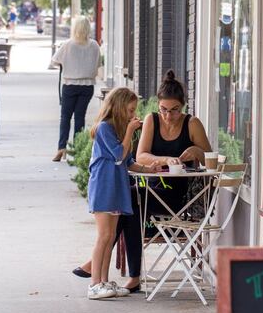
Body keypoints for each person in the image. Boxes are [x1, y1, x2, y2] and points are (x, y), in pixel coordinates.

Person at [72, 69, 211, 292]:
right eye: (163, 110)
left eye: (174, 110)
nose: (168, 116)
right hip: (152, 186)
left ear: (183, 107)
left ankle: (99, 269)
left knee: (129, 206)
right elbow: (137, 156)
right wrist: (161, 161)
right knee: (129, 205)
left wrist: (195, 150)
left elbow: (210, 159)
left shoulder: (191, 124)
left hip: (180, 195)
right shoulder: (148, 121)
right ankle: (121, 275)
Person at [86, 88, 158, 300]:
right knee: (103, 236)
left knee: (110, 238)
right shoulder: (104, 128)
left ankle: (104, 281)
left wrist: (148, 170)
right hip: (103, 186)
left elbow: (129, 162)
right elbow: (118, 156)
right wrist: (129, 131)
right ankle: (94, 283)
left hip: (117, 187)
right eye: (129, 110)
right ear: (118, 108)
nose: (131, 115)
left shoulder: (118, 131)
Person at [50, 15, 100, 163]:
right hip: (87, 86)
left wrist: (67, 64)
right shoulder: (94, 45)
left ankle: (61, 149)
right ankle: (77, 150)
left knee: (65, 117)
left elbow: (54, 62)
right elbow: (97, 64)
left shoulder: (67, 44)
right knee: (80, 118)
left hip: (70, 85)